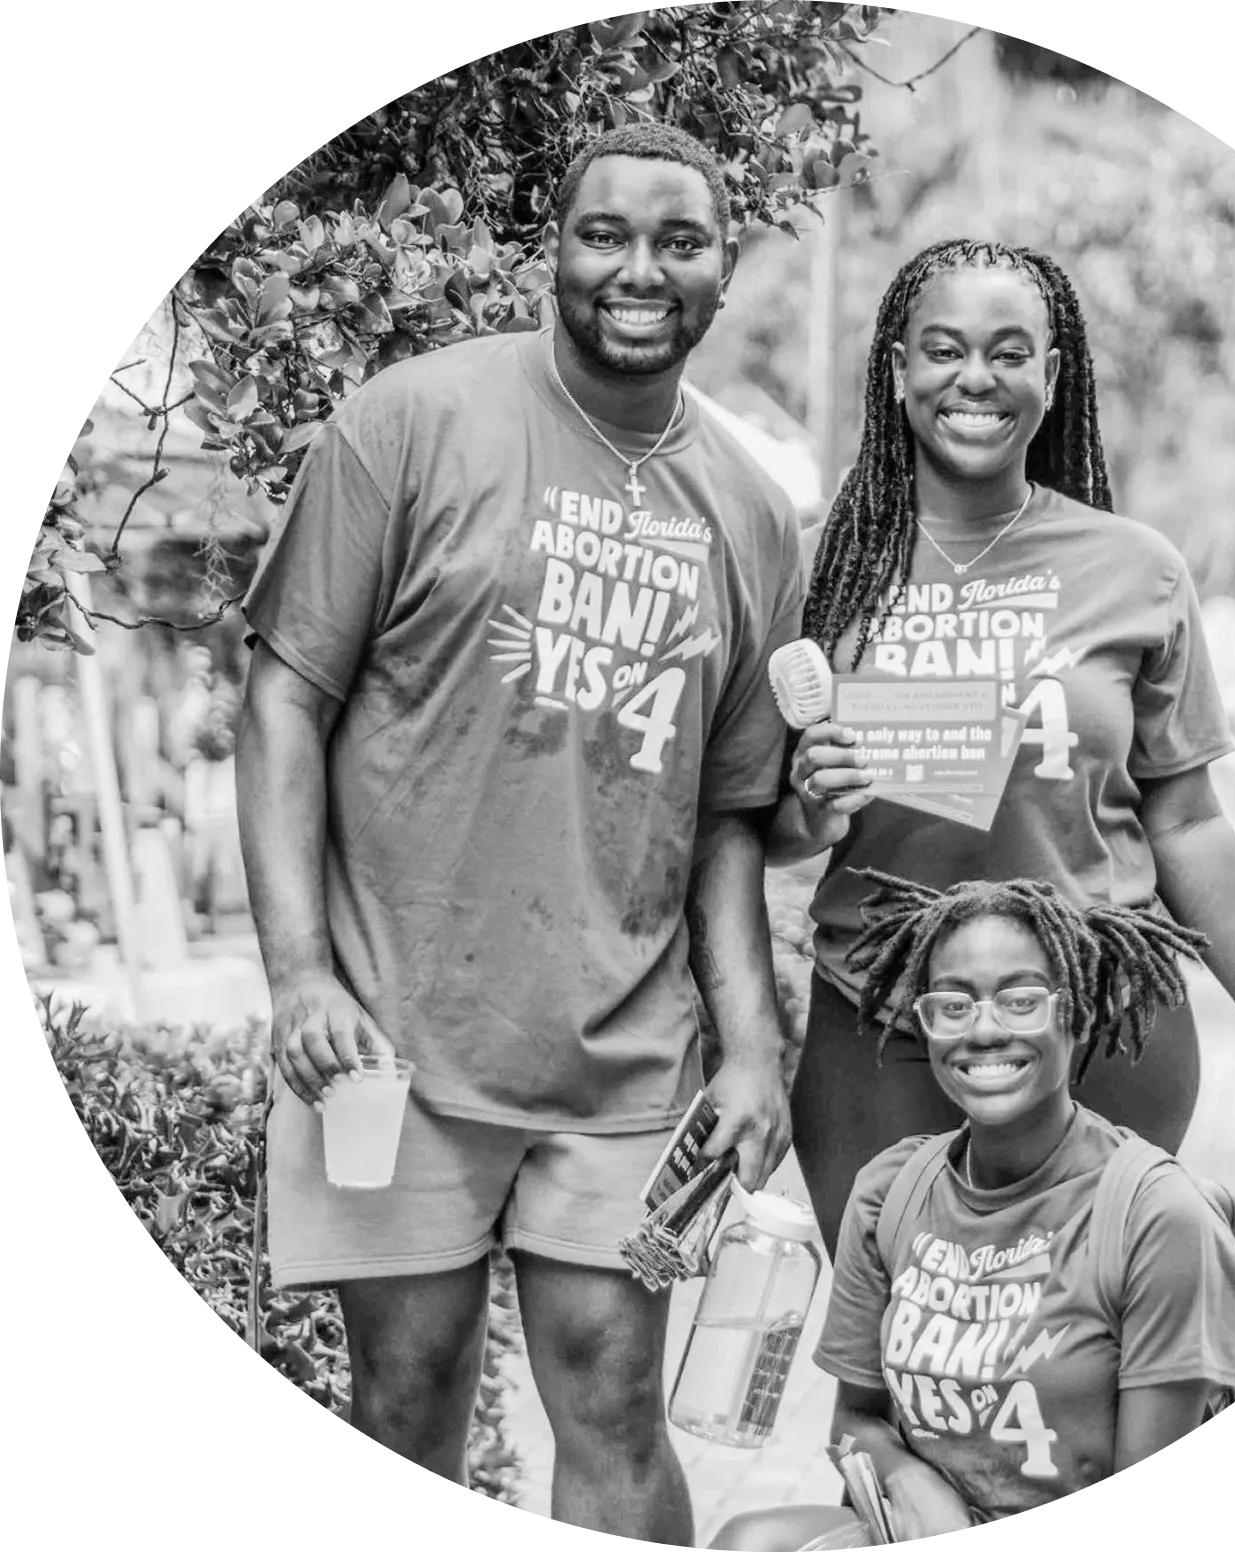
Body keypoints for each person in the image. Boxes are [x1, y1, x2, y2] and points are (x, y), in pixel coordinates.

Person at [236, 123, 803, 1548]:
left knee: (616, 1404)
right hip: (389, 1044)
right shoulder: (410, 422)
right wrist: (300, 973)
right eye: (605, 233)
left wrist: (750, 1049)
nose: (639, 270)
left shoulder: (748, 508)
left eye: (681, 243)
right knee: (407, 1399)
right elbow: (282, 700)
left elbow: (729, 813)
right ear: (553, 245)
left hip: (621, 1059)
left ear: (726, 273)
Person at [764, 238, 1235, 1260]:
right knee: (895, 1363)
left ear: (1051, 375)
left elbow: (1191, 824)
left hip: (1105, 1022)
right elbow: (753, 825)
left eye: (1008, 351)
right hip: (880, 1027)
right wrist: (809, 809)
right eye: (942, 349)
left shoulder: (1134, 569)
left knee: (1084, 1366)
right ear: (895, 371)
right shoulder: (819, 570)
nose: (974, 378)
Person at [710, 872, 1235, 1549]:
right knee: (749, 1541)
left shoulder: (1154, 1217)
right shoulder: (892, 1191)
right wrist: (915, 1486)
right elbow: (854, 1424)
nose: (986, 1029)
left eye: (1022, 1000)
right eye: (953, 1004)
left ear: (1077, 1012)